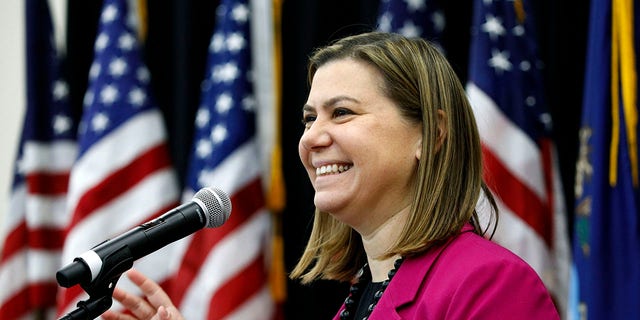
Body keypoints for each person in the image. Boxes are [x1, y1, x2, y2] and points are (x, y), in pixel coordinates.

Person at [102, 31, 559, 320]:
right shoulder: (361, 295)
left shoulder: (489, 285)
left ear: (431, 134)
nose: (313, 138)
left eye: (341, 113)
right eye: (308, 118)